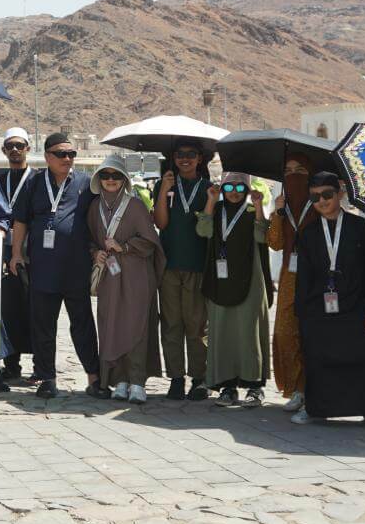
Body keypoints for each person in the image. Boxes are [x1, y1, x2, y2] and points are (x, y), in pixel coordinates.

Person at [292, 172, 365, 428]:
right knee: (319, 359)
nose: (322, 201)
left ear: (339, 193)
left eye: (327, 195)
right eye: (315, 197)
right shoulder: (307, 234)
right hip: (319, 308)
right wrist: (302, 315)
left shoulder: (361, 228)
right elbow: (303, 278)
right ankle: (316, 408)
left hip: (357, 307)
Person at [9, 133, 100, 399]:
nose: (68, 159)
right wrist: (16, 254)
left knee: (82, 324)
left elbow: (97, 219)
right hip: (42, 268)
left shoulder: (85, 183)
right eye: (61, 154)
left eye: (71, 154)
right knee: (43, 326)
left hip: (76, 268)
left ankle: (94, 377)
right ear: (47, 156)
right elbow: (21, 220)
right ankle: (47, 377)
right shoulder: (34, 183)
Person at [87, 155, 165, 404]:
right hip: (110, 277)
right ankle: (118, 380)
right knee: (111, 325)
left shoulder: (135, 206)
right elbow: (89, 239)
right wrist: (95, 252)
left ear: (124, 180)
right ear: (99, 179)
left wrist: (125, 247)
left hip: (135, 274)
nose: (110, 180)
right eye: (106, 176)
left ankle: (137, 381)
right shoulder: (94, 207)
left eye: (116, 176)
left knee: (136, 325)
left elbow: (151, 241)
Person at [197, 173, 274, 408]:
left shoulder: (252, 211)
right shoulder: (217, 208)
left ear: (247, 189)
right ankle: (227, 387)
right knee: (222, 333)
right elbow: (203, 231)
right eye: (229, 186)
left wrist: (259, 205)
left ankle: (254, 386)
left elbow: (262, 235)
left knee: (249, 332)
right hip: (220, 280)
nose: (233, 192)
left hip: (250, 279)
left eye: (240, 187)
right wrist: (211, 199)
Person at [152, 139, 211, 400]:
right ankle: (176, 378)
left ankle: (199, 378)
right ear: (173, 158)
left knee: (196, 325)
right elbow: (161, 224)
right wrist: (164, 190)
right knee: (171, 324)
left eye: (190, 154)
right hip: (169, 266)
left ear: (200, 158)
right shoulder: (163, 185)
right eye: (179, 155)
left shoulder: (208, 188)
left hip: (197, 266)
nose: (185, 159)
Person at [0, 127, 37, 391]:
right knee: (8, 309)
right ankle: (12, 365)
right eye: (10, 146)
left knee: (35, 309)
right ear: (4, 150)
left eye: (20, 145)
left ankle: (40, 366)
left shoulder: (38, 179)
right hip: (3, 252)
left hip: (33, 253)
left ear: (28, 148)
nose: (15, 150)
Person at [267, 154, 316, 413]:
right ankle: (296, 388)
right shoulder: (283, 206)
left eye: (300, 170)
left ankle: (312, 388)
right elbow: (274, 242)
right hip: (289, 276)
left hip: (317, 278)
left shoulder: (319, 202)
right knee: (286, 332)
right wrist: (277, 212)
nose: (293, 175)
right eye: (288, 171)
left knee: (312, 333)